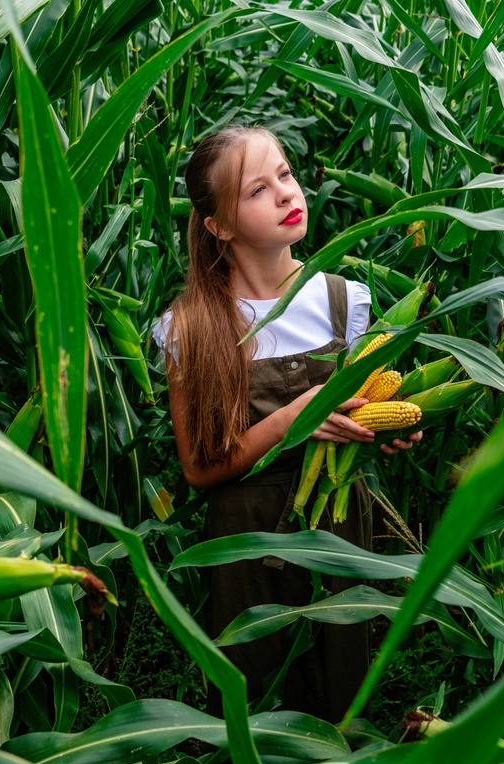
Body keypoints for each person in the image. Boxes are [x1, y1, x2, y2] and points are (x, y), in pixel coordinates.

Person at [152, 124, 423, 724]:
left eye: (285, 174)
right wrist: (291, 420)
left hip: (341, 522)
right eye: (256, 190)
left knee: (340, 679)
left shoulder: (344, 301)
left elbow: (364, 409)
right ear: (219, 225)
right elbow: (199, 470)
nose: (284, 193)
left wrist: (385, 432)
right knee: (256, 685)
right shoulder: (190, 327)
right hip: (247, 540)